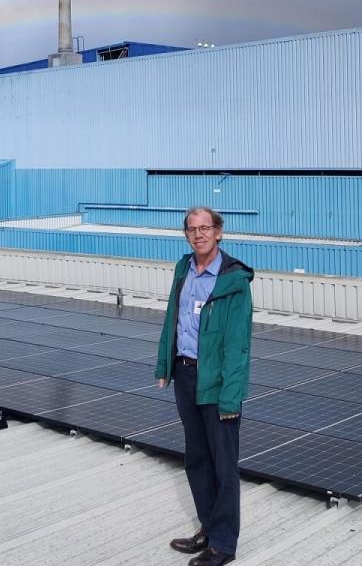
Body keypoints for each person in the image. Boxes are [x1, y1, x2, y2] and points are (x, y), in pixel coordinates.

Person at [155, 206, 253, 566]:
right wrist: (164, 364)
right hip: (185, 375)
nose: (199, 234)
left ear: (219, 232)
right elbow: (172, 319)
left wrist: (231, 397)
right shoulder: (183, 268)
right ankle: (209, 529)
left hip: (217, 381)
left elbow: (238, 345)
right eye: (192, 229)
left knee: (223, 464)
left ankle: (224, 545)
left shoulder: (233, 281)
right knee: (197, 459)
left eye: (205, 228)